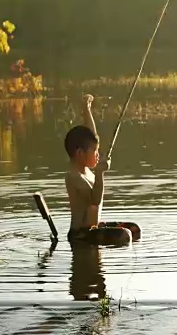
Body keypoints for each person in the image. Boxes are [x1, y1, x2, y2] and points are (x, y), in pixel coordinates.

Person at [64, 94, 139, 245]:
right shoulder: (74, 176)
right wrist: (99, 172)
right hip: (81, 235)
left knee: (134, 229)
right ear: (80, 153)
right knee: (124, 235)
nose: (98, 155)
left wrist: (87, 110)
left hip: (94, 228)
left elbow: (92, 136)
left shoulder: (86, 169)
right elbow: (94, 199)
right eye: (95, 152)